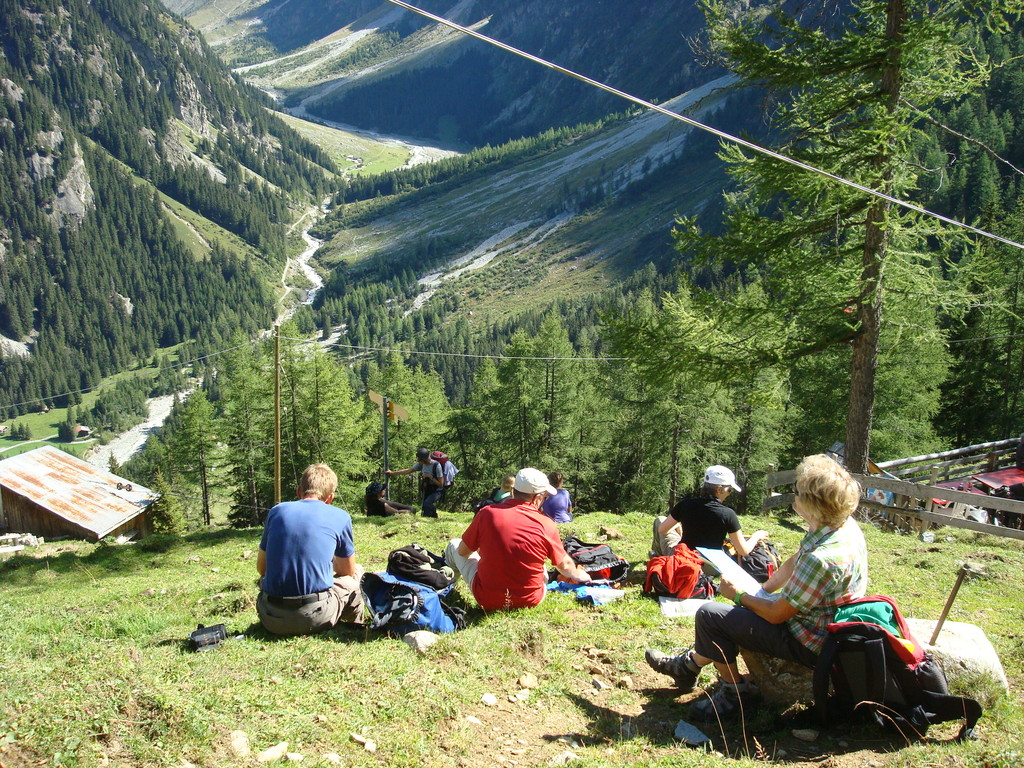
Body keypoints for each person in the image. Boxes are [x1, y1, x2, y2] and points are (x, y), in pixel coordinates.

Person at [644, 454, 867, 720]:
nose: (793, 496)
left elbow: (777, 615)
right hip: (824, 624)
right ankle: (687, 666)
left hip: (808, 639)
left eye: (797, 492)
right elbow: (795, 560)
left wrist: (739, 595)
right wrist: (763, 590)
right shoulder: (837, 526)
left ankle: (734, 694)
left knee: (710, 616)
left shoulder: (822, 559)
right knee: (734, 614)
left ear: (811, 504)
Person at [445, 467, 591, 610]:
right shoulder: (547, 524)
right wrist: (578, 574)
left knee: (454, 544)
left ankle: (447, 588)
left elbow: (463, 552)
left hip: (487, 600)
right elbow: (564, 565)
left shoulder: (486, 514)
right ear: (537, 498)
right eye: (545, 498)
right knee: (540, 562)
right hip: (532, 600)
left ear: (513, 491)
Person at [256, 463, 364, 635]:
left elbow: (262, 569)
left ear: (299, 491)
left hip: (271, 617)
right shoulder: (340, 516)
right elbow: (347, 571)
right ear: (330, 498)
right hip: (316, 616)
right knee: (357, 573)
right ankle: (354, 626)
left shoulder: (276, 511)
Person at [650, 465, 768, 558]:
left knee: (660, 520)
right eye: (730, 490)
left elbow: (662, 529)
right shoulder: (728, 514)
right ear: (720, 489)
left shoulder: (685, 504)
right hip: (710, 565)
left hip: (683, 557)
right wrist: (756, 536)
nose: (729, 493)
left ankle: (661, 560)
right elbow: (743, 551)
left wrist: (677, 525)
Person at [385, 447, 445, 518]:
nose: (417, 461)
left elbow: (441, 484)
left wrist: (430, 476)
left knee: (427, 504)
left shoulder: (436, 466)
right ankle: (433, 516)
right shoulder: (421, 464)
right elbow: (408, 470)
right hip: (427, 489)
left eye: (419, 459)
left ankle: (429, 519)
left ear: (424, 460)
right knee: (425, 508)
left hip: (437, 490)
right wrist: (393, 473)